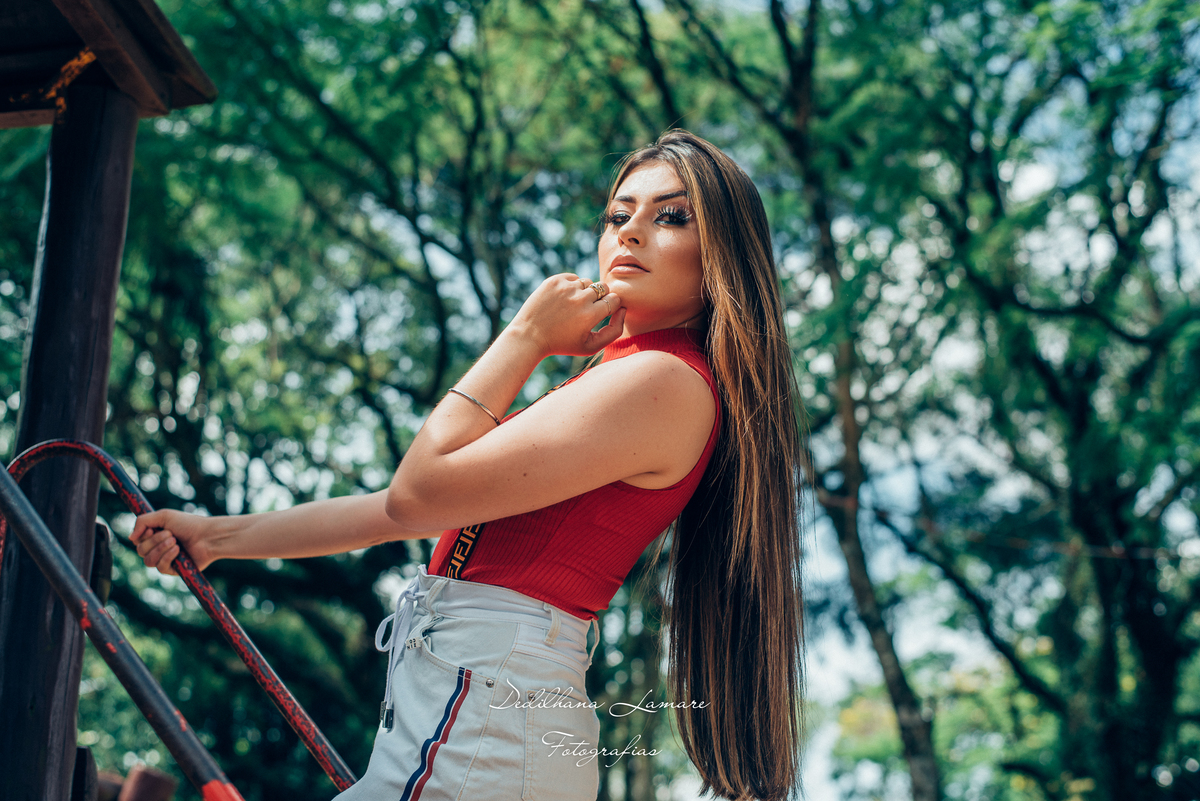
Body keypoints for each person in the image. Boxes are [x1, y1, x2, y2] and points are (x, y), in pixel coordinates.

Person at [132, 129, 805, 801]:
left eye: (672, 216)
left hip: (485, 711)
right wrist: (215, 537)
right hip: (484, 711)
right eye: (617, 214)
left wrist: (528, 335)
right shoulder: (632, 377)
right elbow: (395, 511)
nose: (628, 232)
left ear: (722, 255)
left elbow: (417, 492)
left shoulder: (661, 380)